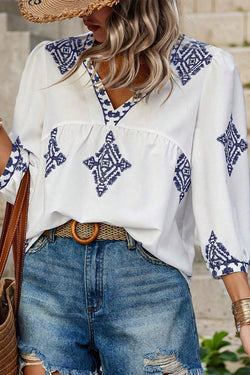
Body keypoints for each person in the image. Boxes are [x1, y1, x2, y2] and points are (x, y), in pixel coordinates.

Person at [0, 0, 250, 374]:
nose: (82, 15)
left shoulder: (207, 70)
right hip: (48, 279)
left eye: (94, 3)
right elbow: (27, 183)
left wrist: (243, 311)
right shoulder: (49, 61)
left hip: (147, 283)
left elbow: (221, 192)